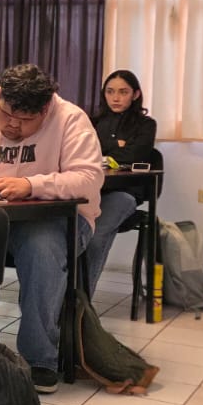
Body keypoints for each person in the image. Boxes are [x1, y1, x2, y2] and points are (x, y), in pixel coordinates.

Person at [0, 64, 104, 393]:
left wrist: (31, 185)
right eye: (7, 114)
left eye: (26, 120)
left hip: (57, 222)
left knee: (41, 247)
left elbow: (88, 178)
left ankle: (40, 357)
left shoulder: (70, 119)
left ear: (46, 108)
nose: (13, 125)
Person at [81, 70, 158, 296]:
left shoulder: (146, 125)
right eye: (110, 92)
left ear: (135, 94)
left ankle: (82, 304)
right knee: (66, 233)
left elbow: (134, 156)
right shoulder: (91, 122)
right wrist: (118, 149)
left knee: (93, 238)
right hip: (90, 191)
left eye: (123, 92)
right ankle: (61, 297)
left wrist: (106, 153)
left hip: (124, 193)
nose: (115, 98)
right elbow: (82, 155)